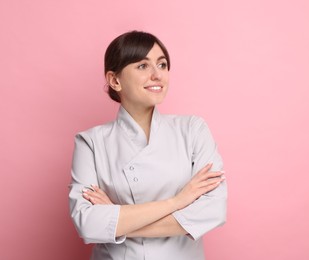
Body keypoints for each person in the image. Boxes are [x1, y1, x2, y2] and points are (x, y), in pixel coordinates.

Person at [68, 30, 227, 260]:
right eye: (143, 66)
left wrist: (116, 219)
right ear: (115, 80)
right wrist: (178, 201)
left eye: (162, 65)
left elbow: (213, 211)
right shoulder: (90, 142)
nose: (157, 75)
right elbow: (88, 225)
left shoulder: (193, 130)